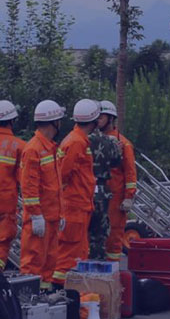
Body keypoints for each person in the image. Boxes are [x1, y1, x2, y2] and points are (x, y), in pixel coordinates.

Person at [52, 99, 101, 284]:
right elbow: (63, 174)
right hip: (74, 206)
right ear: (94, 121)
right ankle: (59, 291)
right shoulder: (76, 143)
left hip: (79, 206)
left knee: (78, 252)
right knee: (68, 254)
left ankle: (72, 294)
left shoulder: (78, 140)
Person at [19, 100, 64, 290]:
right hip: (40, 219)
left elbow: (54, 186)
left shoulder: (50, 147)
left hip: (51, 217)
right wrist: (36, 215)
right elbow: (29, 187)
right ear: (54, 122)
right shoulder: (33, 149)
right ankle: (28, 301)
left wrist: (60, 214)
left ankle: (43, 301)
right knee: (33, 262)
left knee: (49, 263)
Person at [0, 100, 25, 270]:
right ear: (12, 121)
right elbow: (23, 179)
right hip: (6, 204)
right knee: (0, 245)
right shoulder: (19, 146)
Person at [99, 100, 137, 263]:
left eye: (101, 117)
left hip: (115, 199)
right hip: (96, 197)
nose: (97, 120)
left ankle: (111, 275)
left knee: (114, 238)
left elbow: (130, 172)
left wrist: (129, 197)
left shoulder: (123, 143)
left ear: (111, 118)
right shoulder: (93, 141)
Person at [88, 103, 124, 261]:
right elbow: (117, 162)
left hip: (86, 192)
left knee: (85, 235)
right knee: (100, 235)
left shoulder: (76, 140)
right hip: (102, 192)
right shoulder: (112, 142)